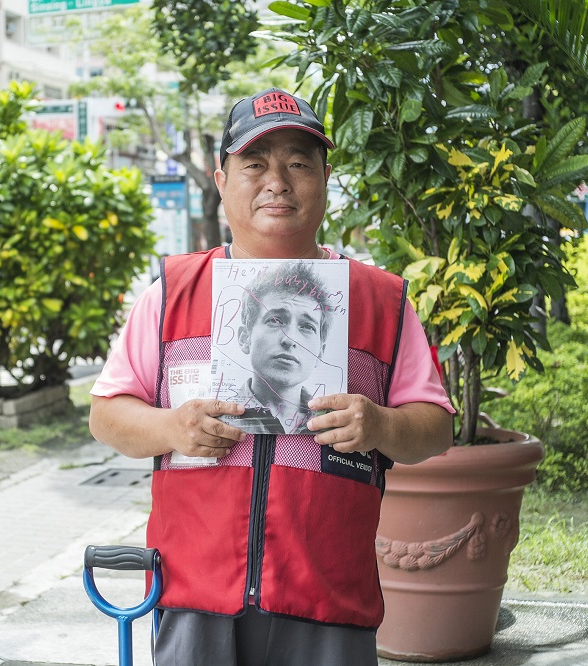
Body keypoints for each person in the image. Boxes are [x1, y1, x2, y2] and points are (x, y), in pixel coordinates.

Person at [89, 88, 454, 665]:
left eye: (299, 164)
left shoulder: (379, 300)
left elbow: (435, 428)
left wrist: (380, 424)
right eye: (255, 164)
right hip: (195, 593)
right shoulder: (171, 294)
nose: (277, 182)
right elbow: (107, 413)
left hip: (328, 596)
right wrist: (171, 428)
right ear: (221, 179)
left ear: (326, 179)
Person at [223, 260, 338, 435]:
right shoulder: (217, 416)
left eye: (307, 326)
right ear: (245, 338)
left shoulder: (337, 422)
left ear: (320, 352)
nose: (290, 339)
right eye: (275, 320)